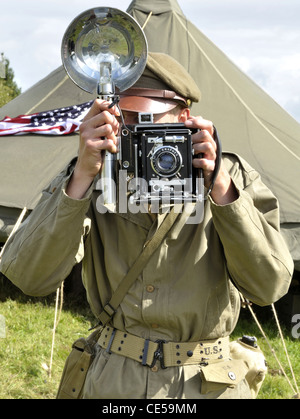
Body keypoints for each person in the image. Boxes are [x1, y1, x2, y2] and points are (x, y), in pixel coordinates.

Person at [0, 53, 293, 399]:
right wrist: (79, 178)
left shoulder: (229, 177)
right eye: (123, 117)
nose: (135, 129)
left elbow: (269, 285)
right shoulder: (97, 176)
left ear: (185, 117)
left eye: (148, 117)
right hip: (114, 383)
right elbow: (31, 278)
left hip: (207, 383)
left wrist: (222, 188)